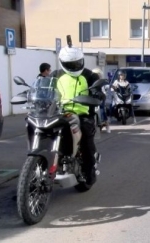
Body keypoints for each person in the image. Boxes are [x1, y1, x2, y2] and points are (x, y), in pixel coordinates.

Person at [52, 45, 104, 186]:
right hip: (60, 113)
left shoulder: (89, 75)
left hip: (83, 114)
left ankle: (89, 172)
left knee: (87, 140)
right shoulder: (56, 75)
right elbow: (46, 90)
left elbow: (99, 91)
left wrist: (98, 94)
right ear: (62, 62)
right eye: (70, 64)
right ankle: (30, 177)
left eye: (77, 63)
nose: (74, 66)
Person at [92, 68, 111, 133]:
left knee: (102, 109)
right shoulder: (91, 81)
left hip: (101, 97)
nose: (96, 75)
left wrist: (105, 91)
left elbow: (106, 87)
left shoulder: (102, 81)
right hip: (93, 97)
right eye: (95, 74)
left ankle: (107, 125)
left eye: (98, 74)